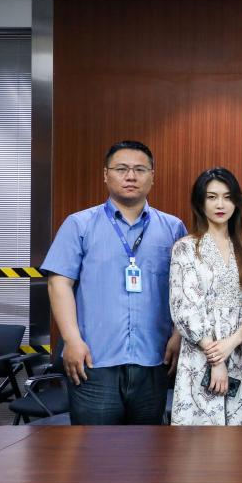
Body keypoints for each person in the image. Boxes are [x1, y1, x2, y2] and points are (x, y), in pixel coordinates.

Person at [42, 140, 187, 425]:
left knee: (149, 448)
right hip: (93, 362)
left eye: (139, 170)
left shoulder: (173, 228)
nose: (130, 176)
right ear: (105, 175)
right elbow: (58, 284)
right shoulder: (79, 224)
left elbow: (185, 290)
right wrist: (71, 340)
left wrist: (178, 335)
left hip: (154, 361)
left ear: (152, 176)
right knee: (95, 448)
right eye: (121, 169)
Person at [169, 168, 242, 425]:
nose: (220, 204)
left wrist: (233, 342)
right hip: (201, 353)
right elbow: (185, 307)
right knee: (202, 436)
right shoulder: (186, 248)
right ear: (200, 202)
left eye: (227, 197)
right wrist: (216, 358)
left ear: (237, 201)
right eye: (212, 197)